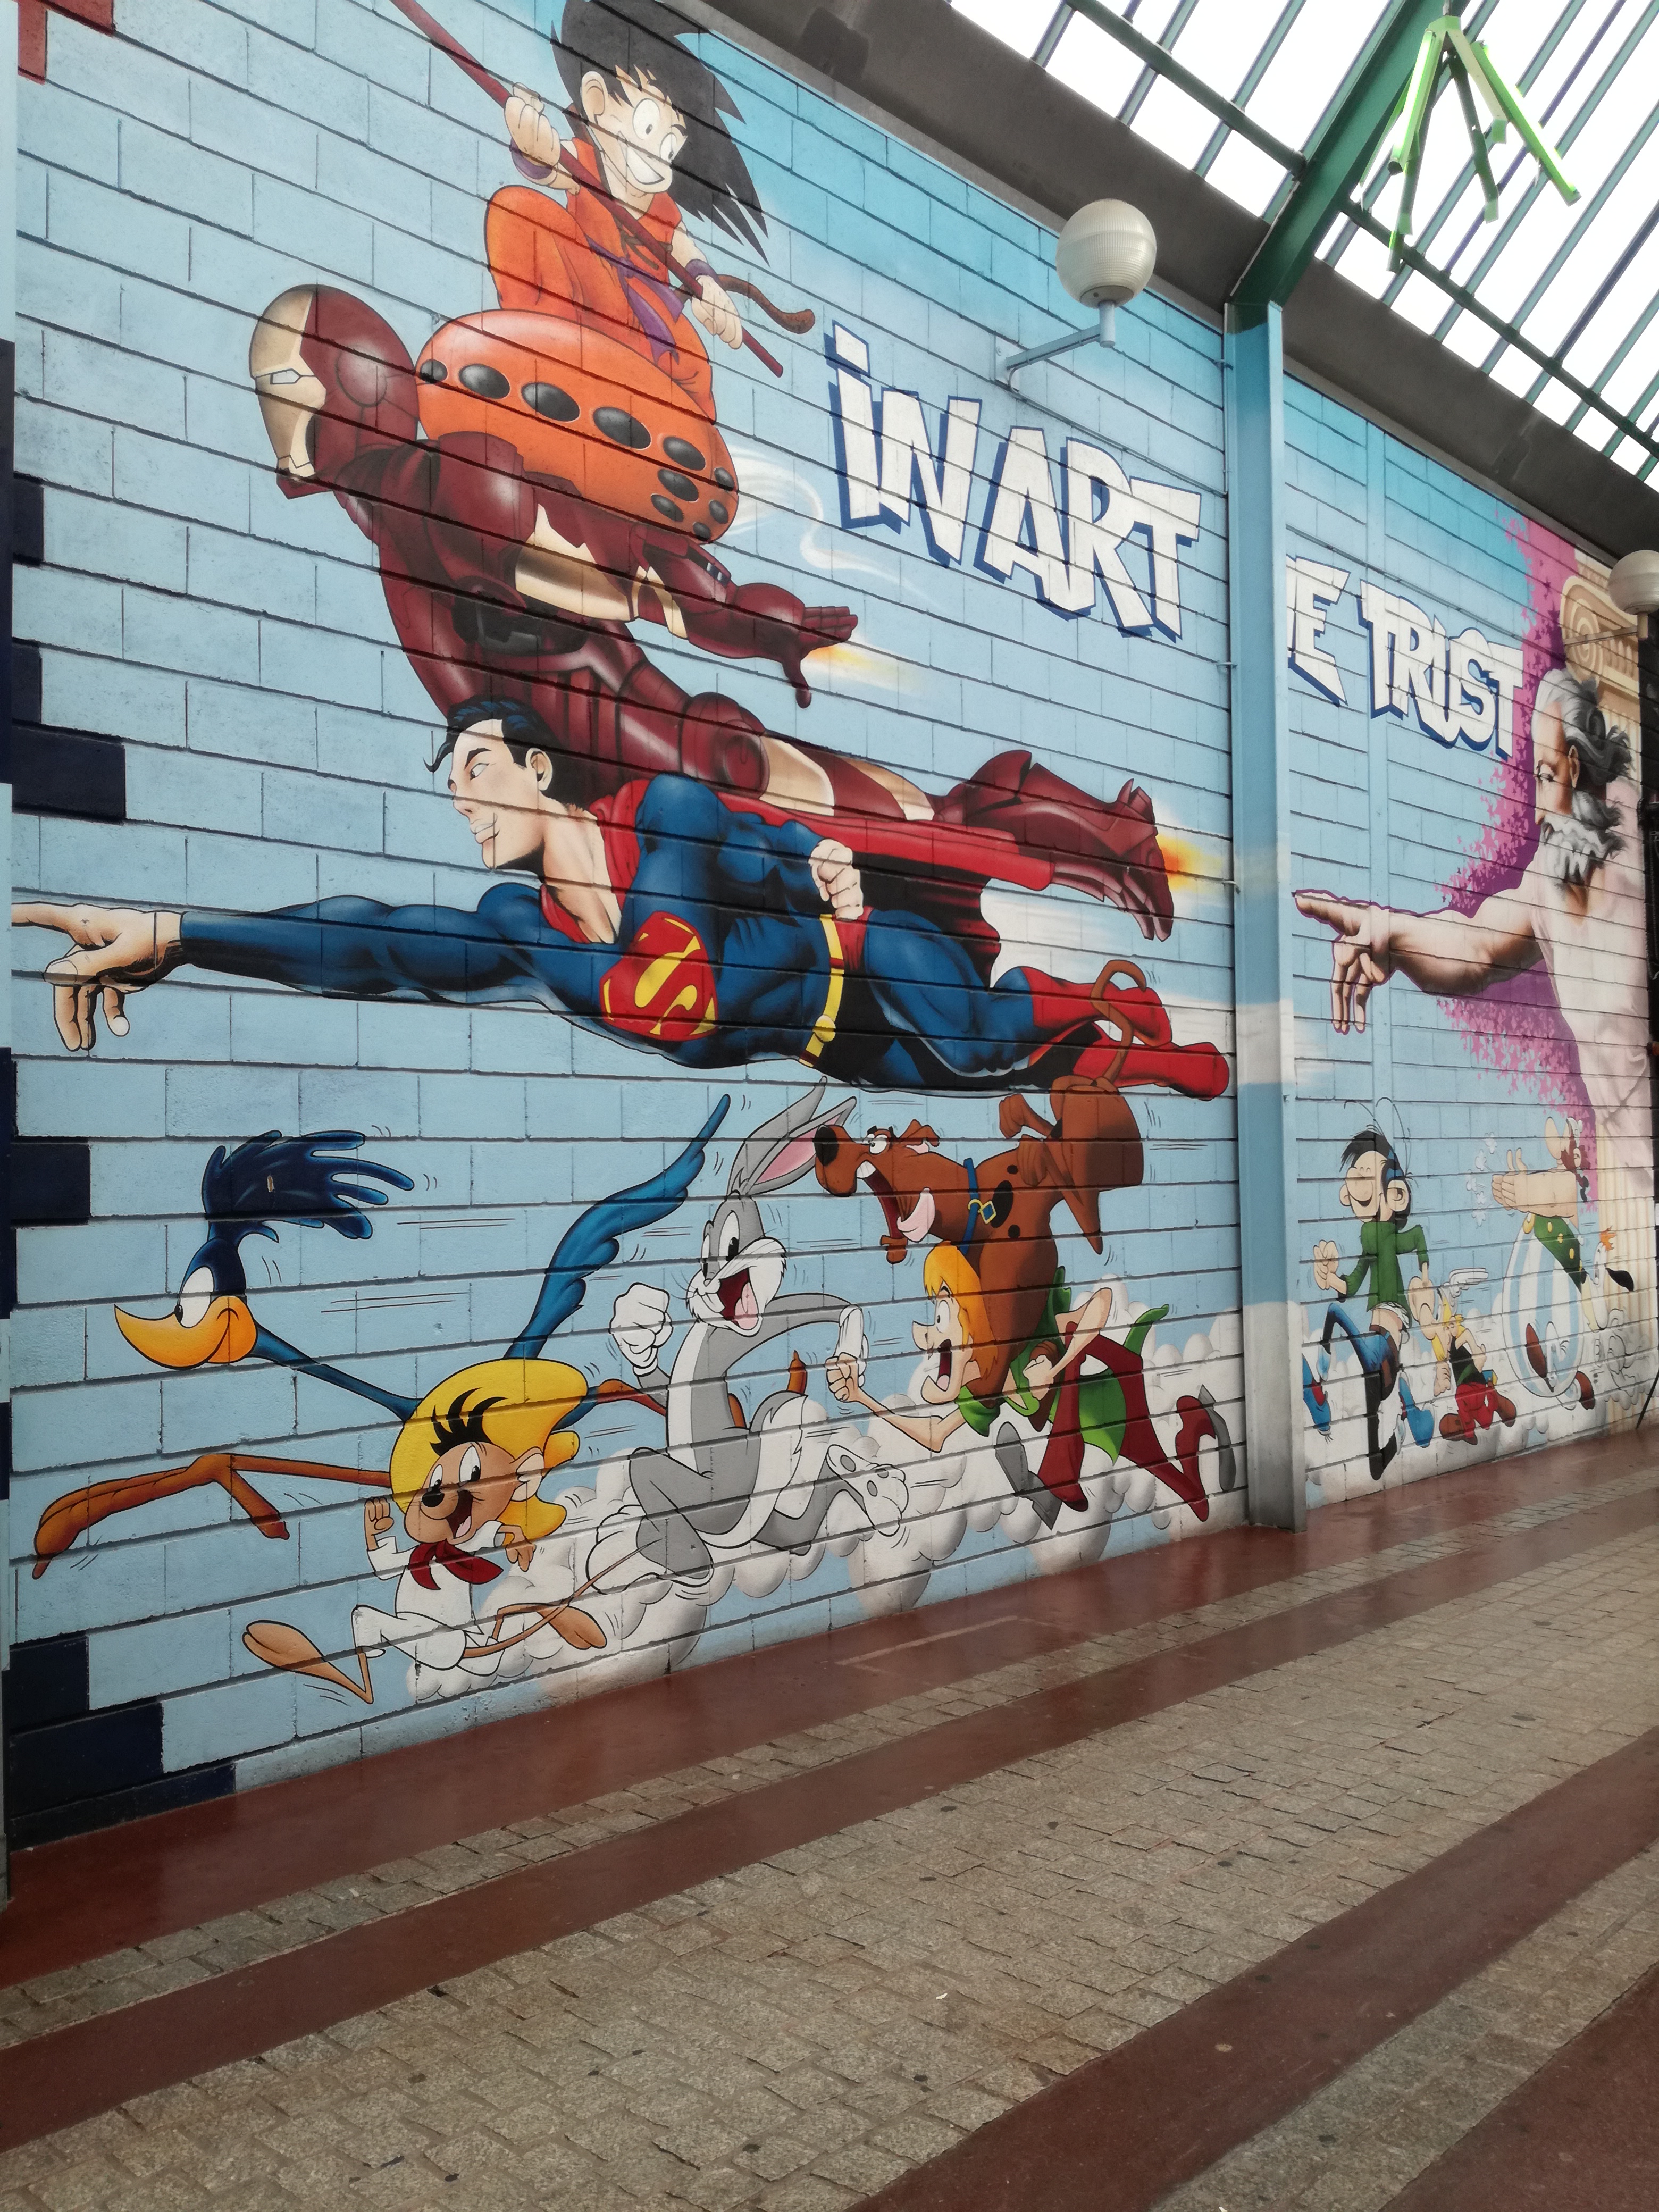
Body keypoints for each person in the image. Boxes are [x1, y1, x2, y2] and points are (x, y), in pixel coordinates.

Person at [13, 702, 1228, 1099]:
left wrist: (820, 865)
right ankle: (1139, 1040)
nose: (466, 804)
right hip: (836, 1045)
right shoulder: (524, 936)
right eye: (454, 787)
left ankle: (1077, 993)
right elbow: (372, 943)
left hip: (875, 962)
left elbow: (772, 840)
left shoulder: (670, 816)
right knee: (1002, 1078)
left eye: (478, 772)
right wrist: (181, 936)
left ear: (540, 770)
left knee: (971, 1040)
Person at [1296, 669, 1653, 1387]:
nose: (1537, 795)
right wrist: (1391, 931)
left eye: (1545, 771)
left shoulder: (1634, 845)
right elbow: (1477, 947)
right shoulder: (1552, 877)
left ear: (1573, 765)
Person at [493, 0, 763, 415]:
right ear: (596, 100)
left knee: (694, 360)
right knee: (517, 209)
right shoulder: (587, 163)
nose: (660, 155)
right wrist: (533, 145)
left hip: (644, 331)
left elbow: (688, 255)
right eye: (649, 127)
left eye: (671, 144)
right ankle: (550, 352)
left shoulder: (661, 207)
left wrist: (709, 291)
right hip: (585, 300)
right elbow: (550, 164)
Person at [1304, 1129, 1435, 1480]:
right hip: (1377, 1335)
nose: (1362, 1183)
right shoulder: (1369, 1240)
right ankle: (1400, 1428)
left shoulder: (1388, 1235)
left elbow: (1418, 1237)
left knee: (1335, 1314)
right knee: (1376, 1465)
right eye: (1359, 1176)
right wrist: (1332, 1280)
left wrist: (1424, 1273)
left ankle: (1322, 1367)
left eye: (1370, 1175)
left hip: (1388, 1334)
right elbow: (1353, 1283)